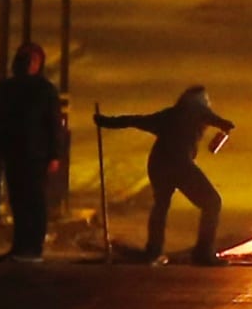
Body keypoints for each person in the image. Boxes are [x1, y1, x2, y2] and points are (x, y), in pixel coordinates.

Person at [95, 86, 235, 266]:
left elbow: (135, 120)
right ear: (201, 100)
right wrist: (224, 123)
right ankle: (203, 253)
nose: (208, 103)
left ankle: (153, 250)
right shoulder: (196, 109)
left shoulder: (170, 114)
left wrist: (105, 121)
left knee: (161, 205)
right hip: (180, 164)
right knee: (212, 202)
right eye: (206, 100)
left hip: (159, 164)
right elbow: (209, 116)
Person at [0, 43, 62, 263]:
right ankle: (20, 245)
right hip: (16, 153)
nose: (26, 64)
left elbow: (53, 124)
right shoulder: (8, 88)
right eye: (24, 59)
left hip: (35, 154)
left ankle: (33, 247)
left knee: (34, 200)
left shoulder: (45, 90)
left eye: (31, 60)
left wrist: (54, 154)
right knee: (18, 200)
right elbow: (0, 120)